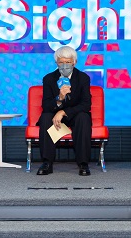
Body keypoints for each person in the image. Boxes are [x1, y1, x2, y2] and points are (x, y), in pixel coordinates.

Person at [36, 46, 93, 176]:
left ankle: (83, 163)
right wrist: (59, 98)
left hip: (74, 115)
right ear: (56, 63)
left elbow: (86, 104)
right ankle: (47, 163)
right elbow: (46, 105)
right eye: (61, 62)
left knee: (83, 117)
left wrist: (63, 112)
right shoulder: (49, 79)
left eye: (68, 62)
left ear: (74, 62)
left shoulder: (83, 78)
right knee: (45, 117)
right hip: (54, 116)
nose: (64, 65)